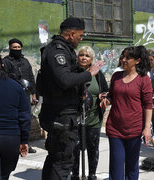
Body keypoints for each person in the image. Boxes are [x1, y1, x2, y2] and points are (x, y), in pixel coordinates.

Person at [38, 17, 105, 180]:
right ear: (72, 34)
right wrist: (90, 73)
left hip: (61, 114)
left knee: (56, 158)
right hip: (61, 115)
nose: (81, 39)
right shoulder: (58, 50)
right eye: (80, 35)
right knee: (63, 161)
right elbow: (65, 79)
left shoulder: (63, 49)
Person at [100, 46, 153, 180]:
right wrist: (107, 99)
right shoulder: (116, 76)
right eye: (122, 57)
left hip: (134, 129)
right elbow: (112, 95)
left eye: (127, 58)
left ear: (137, 61)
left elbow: (148, 105)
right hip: (115, 128)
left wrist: (147, 128)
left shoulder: (143, 79)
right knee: (116, 169)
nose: (123, 60)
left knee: (131, 168)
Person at [0, 52, 30, 180]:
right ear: (2, 65)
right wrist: (24, 141)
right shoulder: (16, 86)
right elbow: (24, 116)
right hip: (11, 140)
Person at [71, 46, 108, 180]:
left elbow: (106, 91)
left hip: (93, 118)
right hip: (75, 118)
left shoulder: (98, 74)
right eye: (81, 55)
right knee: (75, 149)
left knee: (93, 149)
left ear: (91, 59)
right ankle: (75, 174)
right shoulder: (73, 72)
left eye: (87, 56)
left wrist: (105, 98)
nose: (84, 57)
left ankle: (92, 174)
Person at [2, 38, 37, 153]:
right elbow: (4, 78)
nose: (17, 49)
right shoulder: (6, 62)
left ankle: (25, 144)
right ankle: (13, 145)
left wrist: (34, 94)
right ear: (10, 48)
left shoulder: (25, 61)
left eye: (19, 47)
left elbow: (31, 77)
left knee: (25, 120)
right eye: (14, 48)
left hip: (25, 95)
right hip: (12, 96)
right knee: (13, 120)